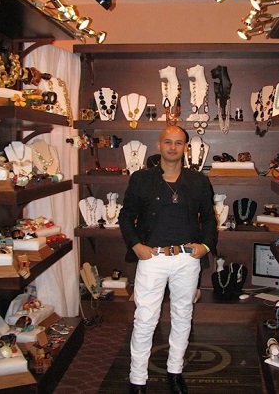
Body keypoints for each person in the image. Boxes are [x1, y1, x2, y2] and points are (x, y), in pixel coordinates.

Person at [119, 125, 218, 394]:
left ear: (185, 147)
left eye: (178, 142)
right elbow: (126, 216)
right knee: (145, 319)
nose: (173, 147)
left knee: (183, 316)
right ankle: (137, 380)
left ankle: (175, 372)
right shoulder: (141, 179)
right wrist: (136, 245)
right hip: (152, 258)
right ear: (159, 145)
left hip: (186, 258)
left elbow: (209, 218)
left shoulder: (198, 181)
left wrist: (205, 246)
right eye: (168, 142)